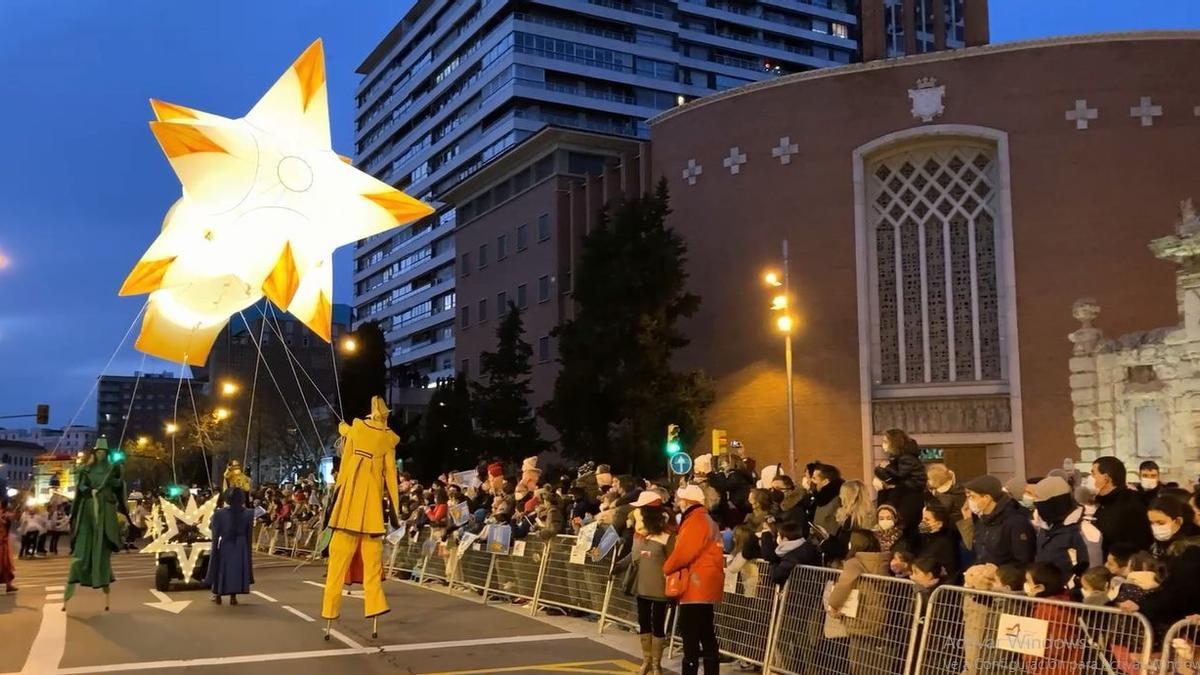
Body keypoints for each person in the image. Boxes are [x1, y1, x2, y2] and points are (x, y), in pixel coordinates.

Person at [321, 396, 401, 633]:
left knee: (336, 567)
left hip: (347, 510)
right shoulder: (388, 439)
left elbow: (343, 436)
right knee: (373, 567)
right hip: (372, 515)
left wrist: (341, 427)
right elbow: (392, 481)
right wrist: (394, 514)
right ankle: (375, 606)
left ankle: (330, 611)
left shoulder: (355, 429)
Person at [663, 484, 724, 675]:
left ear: (687, 502)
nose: (677, 501)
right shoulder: (706, 520)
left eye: (680, 499)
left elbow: (684, 552)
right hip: (706, 583)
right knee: (706, 633)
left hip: (695, 585)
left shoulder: (695, 521)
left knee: (690, 634)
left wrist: (667, 568)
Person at [1118, 497, 1200, 633]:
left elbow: (1177, 592)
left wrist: (1142, 605)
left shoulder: (1190, 551)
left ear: (1178, 521)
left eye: (1160, 522)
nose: (1156, 527)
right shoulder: (1164, 547)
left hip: (1185, 624)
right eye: (1152, 523)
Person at [64, 438, 125, 611]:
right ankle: (77, 576)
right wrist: (88, 490)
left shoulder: (111, 469)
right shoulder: (86, 469)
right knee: (82, 551)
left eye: (104, 453)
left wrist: (120, 475)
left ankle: (102, 578)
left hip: (105, 511)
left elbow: (117, 486)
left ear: (106, 454)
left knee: (102, 549)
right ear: (94, 453)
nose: (101, 455)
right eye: (98, 452)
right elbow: (81, 486)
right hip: (89, 509)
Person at [826, 529, 895, 675]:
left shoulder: (854, 563)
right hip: (879, 616)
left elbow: (844, 585)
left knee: (857, 660)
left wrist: (834, 603)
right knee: (873, 661)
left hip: (860, 616)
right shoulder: (881, 561)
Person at [627, 490, 673, 675]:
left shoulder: (666, 536)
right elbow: (633, 556)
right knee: (644, 622)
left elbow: (673, 559)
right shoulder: (638, 535)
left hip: (660, 587)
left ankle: (656, 664)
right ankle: (647, 661)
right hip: (641, 585)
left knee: (658, 623)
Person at [874, 429, 928, 550]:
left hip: (909, 494)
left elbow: (899, 475)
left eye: (885, 441)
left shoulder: (906, 458)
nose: (883, 445)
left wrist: (885, 468)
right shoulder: (899, 459)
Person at [1091, 456, 1153, 557]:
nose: (1091, 477)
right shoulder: (1103, 502)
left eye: (1093, 473)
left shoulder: (1130, 504)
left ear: (1106, 478)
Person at [1031, 476, 1089, 578]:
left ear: (1053, 501)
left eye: (1039, 499)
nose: (1035, 504)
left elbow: (1087, 569)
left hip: (1068, 591)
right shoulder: (1045, 526)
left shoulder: (1081, 530)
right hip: (1044, 588)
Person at [206, 488, 254, 605]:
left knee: (222, 568)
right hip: (241, 545)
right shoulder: (248, 513)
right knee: (236, 570)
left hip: (227, 543)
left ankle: (218, 594)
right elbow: (249, 533)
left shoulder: (220, 513)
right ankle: (233, 597)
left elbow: (212, 528)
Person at [760, 519, 821, 588]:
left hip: (799, 591)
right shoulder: (803, 547)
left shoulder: (793, 556)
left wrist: (773, 563)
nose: (777, 538)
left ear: (785, 539)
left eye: (778, 535)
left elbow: (777, 576)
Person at [825, 480, 875, 561]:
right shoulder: (869, 515)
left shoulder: (852, 521)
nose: (840, 496)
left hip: (850, 563)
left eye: (842, 493)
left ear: (847, 496)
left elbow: (844, 548)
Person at [916, 501, 960, 583]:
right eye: (922, 518)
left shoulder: (946, 543)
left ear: (939, 524)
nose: (922, 522)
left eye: (927, 520)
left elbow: (950, 571)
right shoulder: (924, 538)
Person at [0, 500, 16, 593]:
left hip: (3, 543)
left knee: (6, 565)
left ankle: (8, 585)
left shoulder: (5, 514)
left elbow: (10, 519)